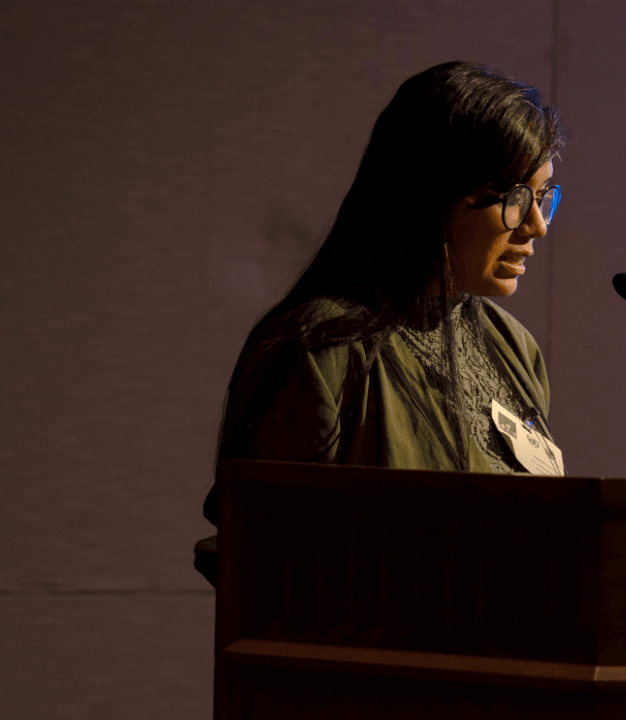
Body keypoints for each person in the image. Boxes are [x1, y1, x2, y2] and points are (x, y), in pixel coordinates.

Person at [195, 62, 566, 582]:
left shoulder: (514, 345)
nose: (537, 225)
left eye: (544, 194)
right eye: (514, 198)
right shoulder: (319, 348)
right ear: (434, 196)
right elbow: (260, 558)